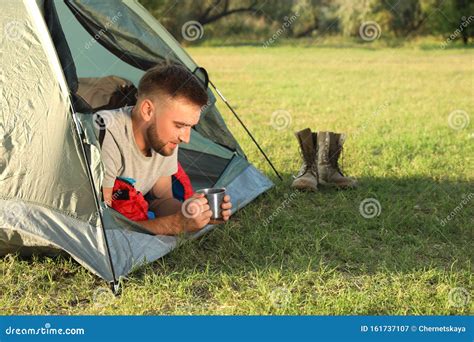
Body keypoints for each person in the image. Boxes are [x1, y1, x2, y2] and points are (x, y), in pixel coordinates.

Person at [99, 63, 232, 235]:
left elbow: (162, 199)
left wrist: (193, 213)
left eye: (190, 127)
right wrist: (174, 225)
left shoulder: (163, 138)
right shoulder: (108, 134)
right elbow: (103, 227)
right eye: (179, 125)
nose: (186, 138)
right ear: (148, 110)